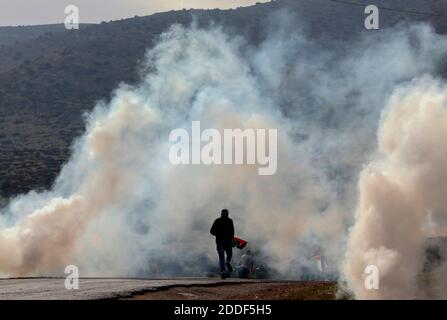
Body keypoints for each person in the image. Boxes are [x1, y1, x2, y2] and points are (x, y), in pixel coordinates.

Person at [210, 209, 234, 279]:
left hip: (220, 241)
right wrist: (231, 239)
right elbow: (232, 232)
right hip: (228, 241)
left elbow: (211, 231)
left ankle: (223, 271)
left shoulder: (217, 221)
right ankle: (228, 261)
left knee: (221, 257)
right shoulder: (230, 221)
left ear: (221, 214)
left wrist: (218, 233)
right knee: (229, 254)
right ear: (228, 214)